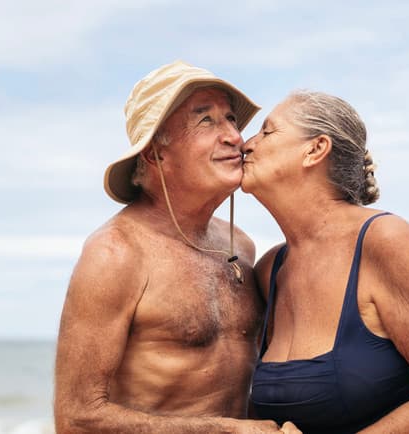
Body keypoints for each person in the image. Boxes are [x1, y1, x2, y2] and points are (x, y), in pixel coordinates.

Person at [54, 61, 298, 433]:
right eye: (206, 121)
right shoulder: (116, 254)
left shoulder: (241, 246)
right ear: (155, 154)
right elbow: (76, 419)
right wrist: (228, 431)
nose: (235, 136)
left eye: (231, 118)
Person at [240, 90, 409, 433]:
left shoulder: (386, 241)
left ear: (315, 149)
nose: (246, 144)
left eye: (267, 132)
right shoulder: (270, 271)